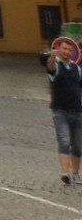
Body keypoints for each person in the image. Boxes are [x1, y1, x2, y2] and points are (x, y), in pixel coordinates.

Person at [40, 37, 82, 186]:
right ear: (58, 49)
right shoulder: (55, 65)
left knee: (78, 145)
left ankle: (76, 173)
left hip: (77, 111)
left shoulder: (77, 68)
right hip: (60, 111)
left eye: (69, 50)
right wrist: (52, 57)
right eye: (64, 49)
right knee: (64, 141)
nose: (67, 51)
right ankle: (65, 173)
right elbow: (50, 67)